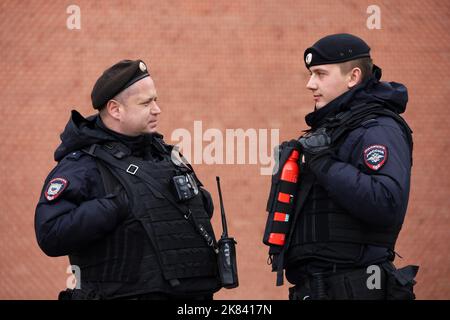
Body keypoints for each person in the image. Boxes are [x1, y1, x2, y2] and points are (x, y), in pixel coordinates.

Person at [35, 59, 222, 300]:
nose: (157, 109)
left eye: (156, 100)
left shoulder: (167, 156)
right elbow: (50, 234)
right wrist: (117, 205)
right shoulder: (83, 166)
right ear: (115, 110)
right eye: (146, 103)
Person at [264, 34, 418, 300]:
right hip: (316, 288)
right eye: (311, 74)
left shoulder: (378, 127)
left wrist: (324, 164)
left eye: (321, 74)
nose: (310, 84)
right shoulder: (331, 131)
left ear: (353, 77)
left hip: (357, 287)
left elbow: (387, 201)